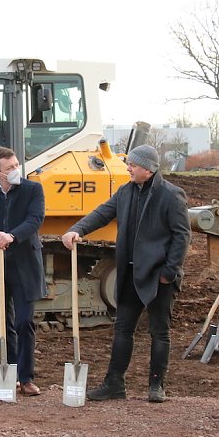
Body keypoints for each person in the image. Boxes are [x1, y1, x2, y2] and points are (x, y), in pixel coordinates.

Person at [61, 145, 190, 402]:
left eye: (133, 164)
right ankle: (114, 384)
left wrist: (169, 272)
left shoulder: (171, 195)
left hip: (158, 276)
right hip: (130, 273)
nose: (128, 168)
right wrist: (77, 229)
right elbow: (102, 213)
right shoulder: (125, 192)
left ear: (148, 169)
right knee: (123, 329)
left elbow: (182, 236)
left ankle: (156, 385)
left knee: (159, 331)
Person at [0, 146, 47, 397]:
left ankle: (26, 377)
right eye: (10, 168)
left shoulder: (32, 189)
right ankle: (10, 372)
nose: (15, 170)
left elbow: (35, 219)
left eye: (16, 165)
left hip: (25, 264)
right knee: (3, 323)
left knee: (24, 321)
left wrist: (11, 236)